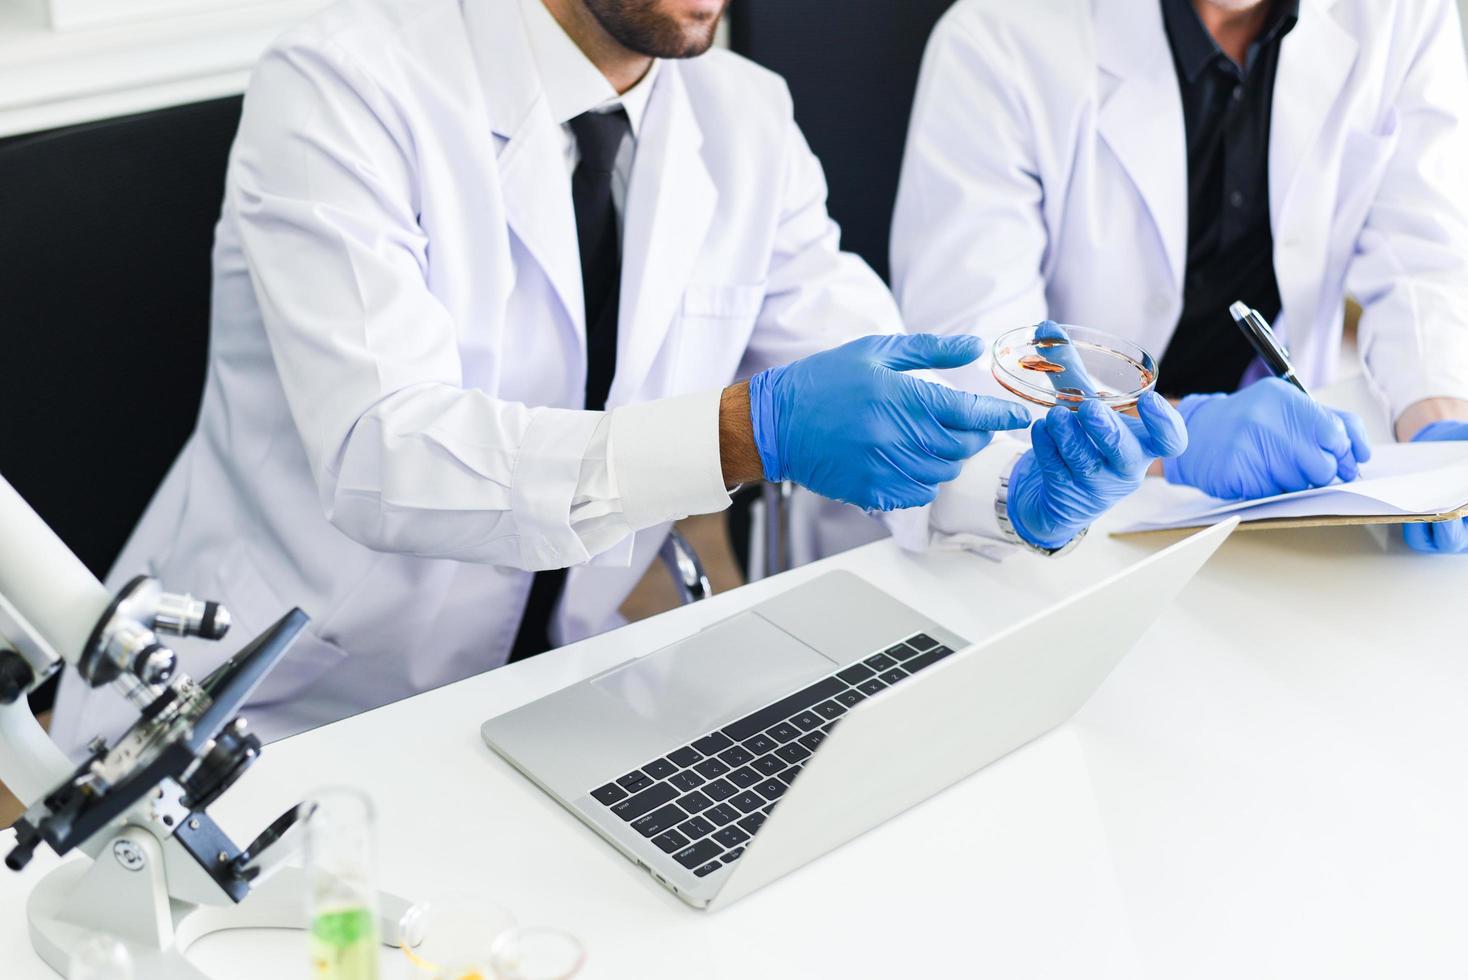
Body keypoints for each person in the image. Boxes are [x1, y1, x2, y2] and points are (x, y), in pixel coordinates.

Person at [52, 0, 1188, 749]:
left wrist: (1010, 494)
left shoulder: (742, 116)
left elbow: (880, 384)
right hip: (277, 710)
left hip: (556, 701)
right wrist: (745, 433)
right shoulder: (346, 85)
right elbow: (384, 455)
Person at [891, 0, 1468, 554]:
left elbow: (1424, 255)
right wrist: (1169, 436)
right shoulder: (996, 40)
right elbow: (976, 363)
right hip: (1065, 504)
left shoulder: (1402, 12)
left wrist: (1438, 438)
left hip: (1288, 499)